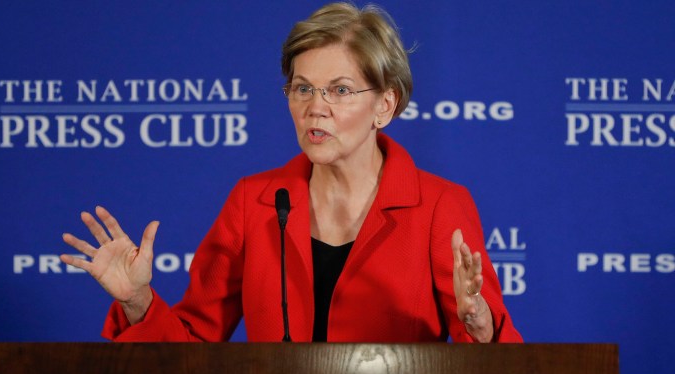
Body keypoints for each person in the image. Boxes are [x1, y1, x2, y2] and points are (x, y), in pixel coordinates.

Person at [60, 2, 522, 343]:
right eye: (302, 88)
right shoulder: (253, 202)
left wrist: (476, 320)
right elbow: (192, 349)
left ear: (385, 105)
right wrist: (137, 301)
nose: (314, 108)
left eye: (339, 90)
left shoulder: (440, 206)